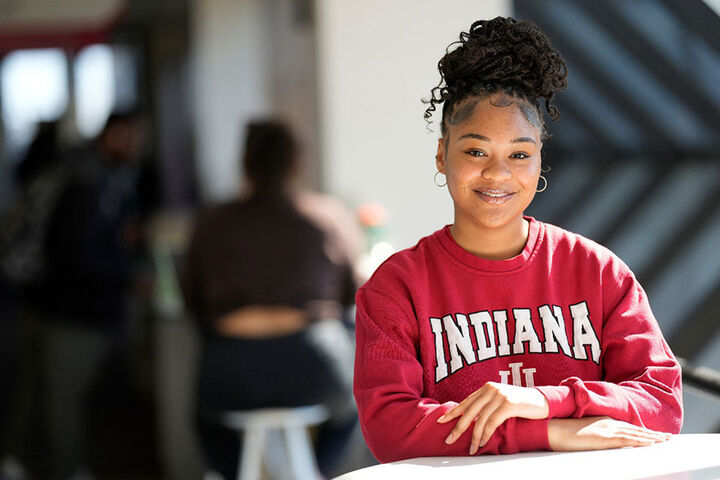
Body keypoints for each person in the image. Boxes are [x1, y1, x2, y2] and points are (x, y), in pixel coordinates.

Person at [353, 16, 683, 463]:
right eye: (475, 151)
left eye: (519, 154)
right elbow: (390, 428)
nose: (497, 173)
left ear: (540, 161)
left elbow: (661, 402)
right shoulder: (396, 288)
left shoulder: (597, 271)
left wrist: (549, 400)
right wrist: (549, 433)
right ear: (441, 154)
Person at [181, 120, 361, 479]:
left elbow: (191, 300)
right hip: (314, 365)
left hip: (232, 372)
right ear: (297, 163)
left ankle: (233, 473)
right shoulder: (327, 216)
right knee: (353, 404)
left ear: (245, 162)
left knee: (207, 420)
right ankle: (320, 472)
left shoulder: (212, 221)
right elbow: (351, 294)